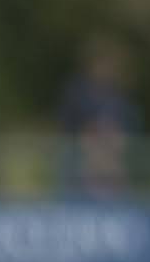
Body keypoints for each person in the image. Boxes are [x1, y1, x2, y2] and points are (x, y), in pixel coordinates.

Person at [55, 41, 139, 199]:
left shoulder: (119, 97)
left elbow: (128, 130)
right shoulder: (78, 94)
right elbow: (69, 127)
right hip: (81, 167)